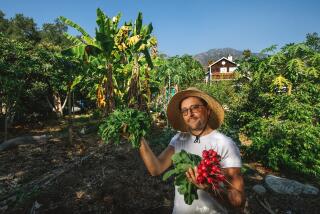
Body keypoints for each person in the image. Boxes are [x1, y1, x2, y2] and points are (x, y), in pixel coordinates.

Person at [139, 87, 245, 214]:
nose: (189, 114)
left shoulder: (225, 144)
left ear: (208, 110)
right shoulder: (178, 139)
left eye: (195, 107)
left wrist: (210, 188)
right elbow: (155, 169)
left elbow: (239, 201)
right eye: (184, 111)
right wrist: (138, 137)